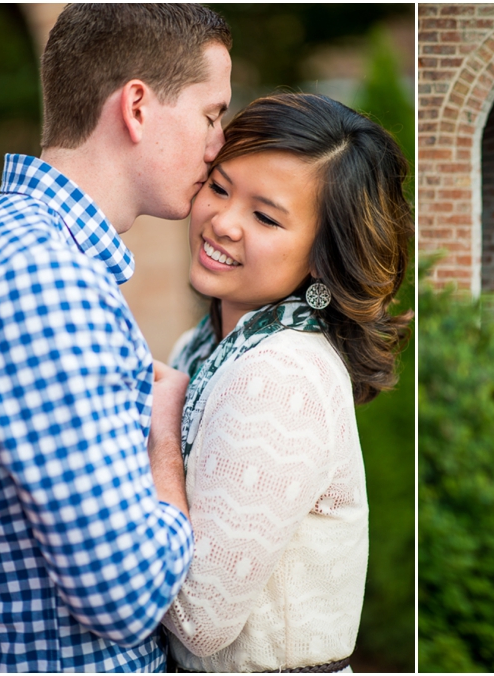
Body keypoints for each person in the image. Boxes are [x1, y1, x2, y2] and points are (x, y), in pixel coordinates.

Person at [0, 5, 232, 672]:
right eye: (211, 114)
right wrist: (162, 428)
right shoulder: (47, 280)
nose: (219, 143)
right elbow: (126, 595)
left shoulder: (8, 244)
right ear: (138, 107)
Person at [158, 93, 412, 673]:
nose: (223, 222)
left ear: (324, 256)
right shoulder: (201, 347)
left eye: (266, 217)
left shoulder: (279, 375)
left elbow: (201, 620)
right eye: (219, 188)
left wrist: (160, 441)